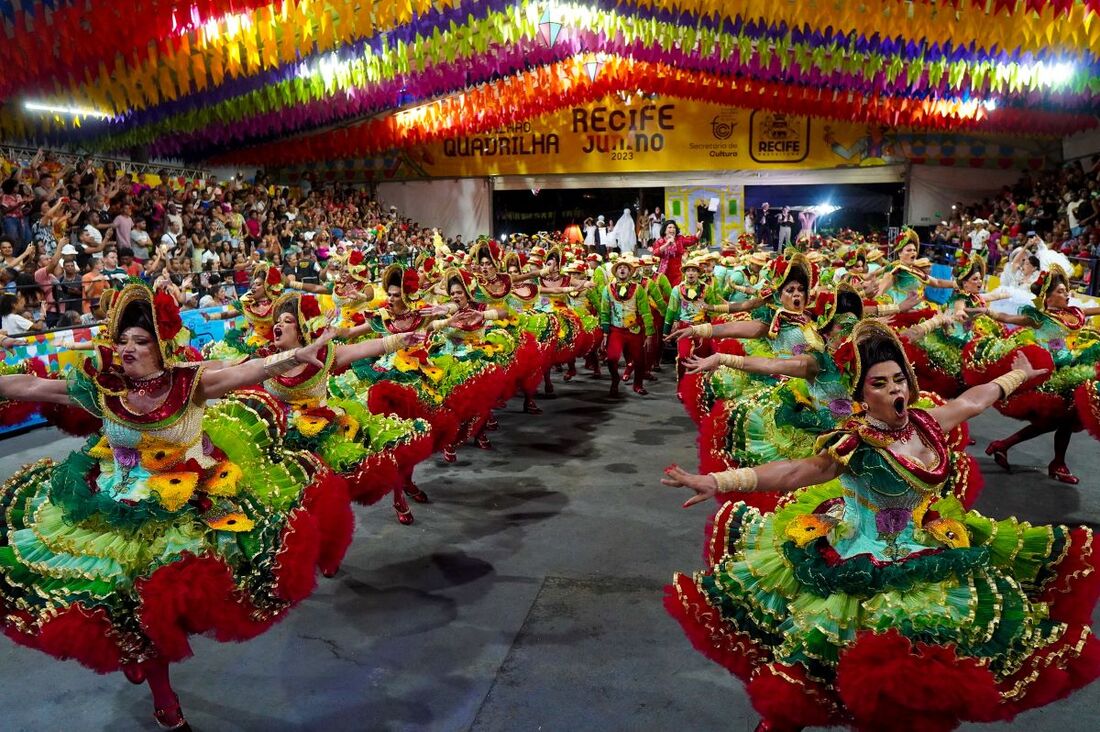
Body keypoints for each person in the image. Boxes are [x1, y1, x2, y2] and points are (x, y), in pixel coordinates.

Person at [663, 320, 1100, 732]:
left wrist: (1016, 378)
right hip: (856, 558)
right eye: (879, 383)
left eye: (898, 380)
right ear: (861, 393)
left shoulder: (927, 424)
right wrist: (718, 480)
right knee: (820, 666)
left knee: (913, 685)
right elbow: (796, 473)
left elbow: (973, 401)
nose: (895, 391)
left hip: (925, 552)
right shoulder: (854, 443)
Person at [0, 283, 351, 731]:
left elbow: (242, 373)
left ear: (162, 346)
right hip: (115, 506)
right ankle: (161, 693)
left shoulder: (189, 382)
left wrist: (291, 358)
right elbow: (31, 385)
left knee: (180, 599)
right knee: (121, 606)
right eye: (122, 339)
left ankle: (142, 652)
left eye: (140, 340)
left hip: (191, 502)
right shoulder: (106, 388)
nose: (127, 348)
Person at [651, 220, 702, 286]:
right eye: (670, 227)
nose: (672, 229)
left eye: (674, 227)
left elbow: (693, 239)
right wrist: (667, 244)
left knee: (676, 293)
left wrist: (700, 230)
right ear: (665, 230)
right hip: (664, 273)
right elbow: (655, 252)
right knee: (665, 294)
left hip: (677, 274)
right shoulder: (660, 241)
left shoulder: (680, 239)